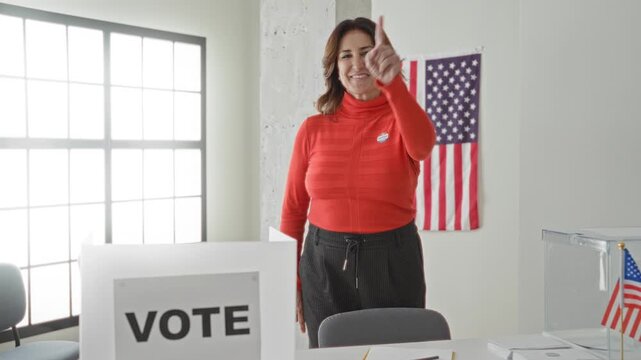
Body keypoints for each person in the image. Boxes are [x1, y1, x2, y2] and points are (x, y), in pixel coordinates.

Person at [279, 16, 436, 348]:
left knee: (399, 354)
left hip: (392, 259)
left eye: (366, 52)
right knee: (330, 354)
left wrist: (394, 85)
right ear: (335, 67)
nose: (356, 63)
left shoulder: (401, 120)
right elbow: (293, 210)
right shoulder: (312, 129)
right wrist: (288, 276)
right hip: (323, 265)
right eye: (345, 55)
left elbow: (422, 146)